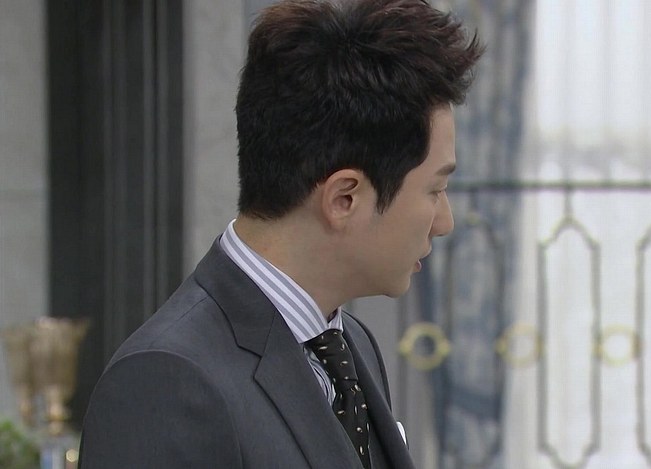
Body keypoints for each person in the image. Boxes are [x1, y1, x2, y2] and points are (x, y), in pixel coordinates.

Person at [77, 0, 483, 468]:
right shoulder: (166, 381)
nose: (444, 222)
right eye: (435, 190)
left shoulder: (351, 345)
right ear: (344, 198)